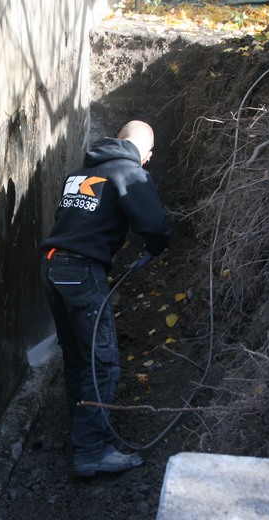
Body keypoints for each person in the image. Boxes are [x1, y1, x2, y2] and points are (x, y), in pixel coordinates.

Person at [40, 120, 171, 477]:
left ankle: (80, 433)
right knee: (102, 362)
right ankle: (91, 450)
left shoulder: (80, 172)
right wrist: (158, 245)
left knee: (78, 357)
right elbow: (156, 226)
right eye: (149, 155)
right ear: (146, 152)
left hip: (52, 268)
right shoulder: (128, 172)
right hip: (80, 272)